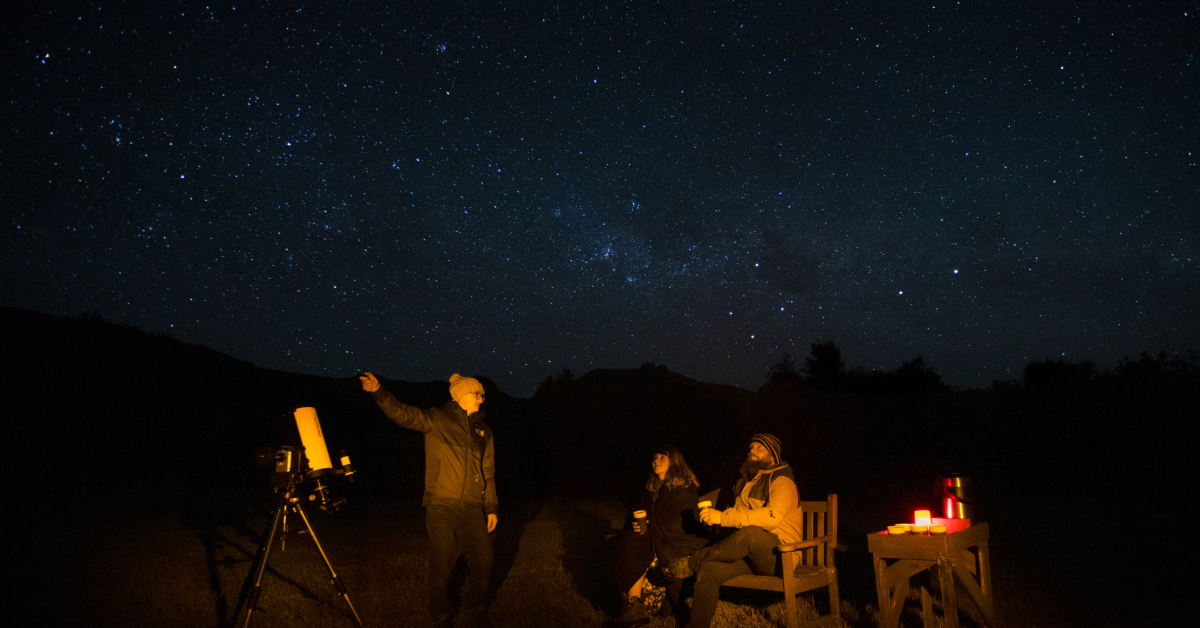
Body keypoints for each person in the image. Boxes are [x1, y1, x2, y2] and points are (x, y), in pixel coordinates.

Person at [360, 371, 498, 628]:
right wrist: (379, 392)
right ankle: (441, 613)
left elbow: (487, 471)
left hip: (472, 507)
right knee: (442, 564)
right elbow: (403, 414)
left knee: (485, 562)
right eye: (476, 393)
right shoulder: (438, 419)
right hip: (441, 505)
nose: (481, 397)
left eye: (482, 393)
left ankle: (476, 610)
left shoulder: (484, 431)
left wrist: (491, 507)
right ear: (459, 397)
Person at [662, 433, 805, 628]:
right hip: (750, 555)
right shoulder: (747, 482)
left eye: (759, 448)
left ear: (773, 456)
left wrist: (723, 517)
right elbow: (736, 514)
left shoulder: (782, 481)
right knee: (710, 569)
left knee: (751, 533)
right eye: (751, 448)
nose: (752, 451)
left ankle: (692, 562)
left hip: (781, 556)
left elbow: (772, 517)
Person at [612, 445, 708, 625]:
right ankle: (634, 603)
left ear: (674, 462)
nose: (656, 460)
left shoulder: (684, 488)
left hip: (679, 540)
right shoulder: (650, 488)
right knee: (630, 539)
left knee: (635, 542)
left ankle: (643, 603)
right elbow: (637, 512)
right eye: (654, 457)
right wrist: (635, 523)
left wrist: (650, 523)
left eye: (662, 457)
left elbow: (683, 522)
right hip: (653, 537)